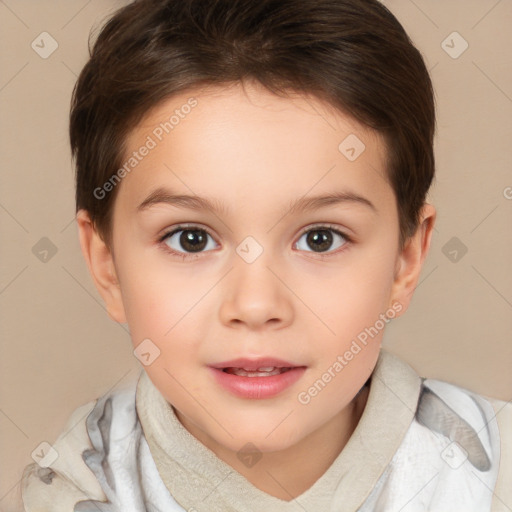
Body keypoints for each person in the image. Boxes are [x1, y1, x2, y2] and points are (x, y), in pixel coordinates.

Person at [12, 0, 512, 510]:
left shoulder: (495, 473)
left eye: (321, 238)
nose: (255, 305)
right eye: (191, 239)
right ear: (108, 267)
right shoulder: (77, 488)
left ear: (405, 260)